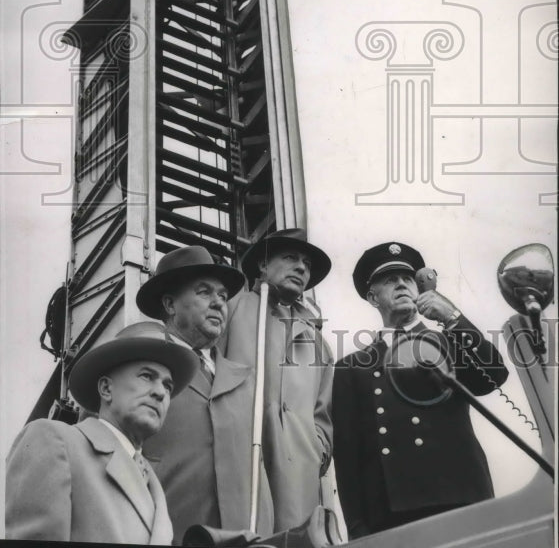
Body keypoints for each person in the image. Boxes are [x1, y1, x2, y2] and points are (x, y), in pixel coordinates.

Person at [332, 241, 509, 540]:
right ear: (373, 297)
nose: (402, 284)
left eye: (408, 279)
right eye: (390, 280)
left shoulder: (448, 341)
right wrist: (357, 527)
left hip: (460, 500)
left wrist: (453, 318)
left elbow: (493, 376)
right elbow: (348, 455)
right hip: (390, 514)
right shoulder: (353, 366)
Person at [5, 321, 198, 543]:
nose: (160, 393)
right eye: (147, 376)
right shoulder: (54, 441)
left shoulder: (153, 483)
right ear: (106, 389)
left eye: (167, 386)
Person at [136, 244, 274, 542]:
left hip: (248, 538)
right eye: (204, 293)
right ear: (170, 304)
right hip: (168, 534)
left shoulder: (246, 380)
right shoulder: (133, 368)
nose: (218, 303)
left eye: (223, 296)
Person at [222, 227, 334, 532]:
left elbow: (323, 413)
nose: (301, 267)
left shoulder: (318, 342)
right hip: (241, 455)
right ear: (263, 265)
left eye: (307, 264)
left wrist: (315, 448)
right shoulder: (232, 309)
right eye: (290, 258)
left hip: (298, 468)